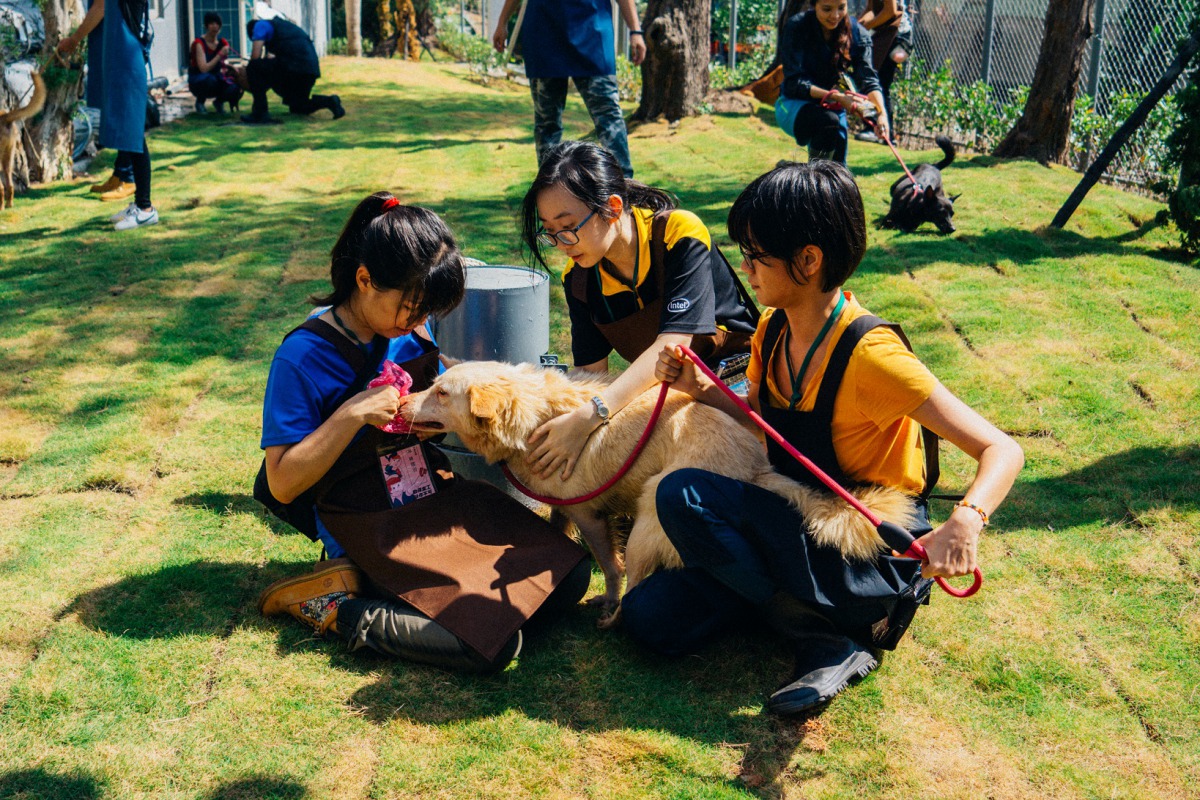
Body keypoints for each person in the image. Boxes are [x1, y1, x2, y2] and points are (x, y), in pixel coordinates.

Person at [621, 161, 1023, 715]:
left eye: (755, 255)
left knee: (681, 494)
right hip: (791, 520)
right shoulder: (773, 328)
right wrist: (703, 389)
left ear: (808, 260)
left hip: (862, 547)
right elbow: (763, 420)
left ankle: (827, 631)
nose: (744, 269)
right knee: (648, 621)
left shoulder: (873, 357)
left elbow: (1002, 448)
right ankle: (801, 620)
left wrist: (966, 521)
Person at [257, 192, 589, 672]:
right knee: (487, 644)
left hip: (431, 496)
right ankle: (337, 606)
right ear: (365, 280)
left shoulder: (409, 330)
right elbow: (282, 482)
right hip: (368, 519)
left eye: (426, 312)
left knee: (571, 574)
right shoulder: (303, 357)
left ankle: (429, 593)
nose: (418, 323)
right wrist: (350, 415)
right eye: (412, 308)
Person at [518, 140, 760, 482]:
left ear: (613, 207)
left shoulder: (678, 232)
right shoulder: (579, 280)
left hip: (739, 377)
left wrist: (591, 415)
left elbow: (674, 344)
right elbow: (590, 377)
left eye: (568, 227)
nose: (561, 245)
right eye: (550, 233)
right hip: (671, 388)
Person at [492, 0, 645, 178]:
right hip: (544, 31)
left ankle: (625, 185)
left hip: (592, 30)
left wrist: (635, 30)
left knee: (608, 117)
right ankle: (549, 190)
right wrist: (502, 21)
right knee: (547, 124)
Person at [58, 0, 160, 230]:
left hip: (127, 61)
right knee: (129, 133)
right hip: (122, 59)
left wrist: (74, 40)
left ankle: (145, 208)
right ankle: (139, 204)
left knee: (134, 135)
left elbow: (101, 6)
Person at [776, 0, 889, 164]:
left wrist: (881, 114)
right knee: (827, 122)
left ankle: (794, 170)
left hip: (834, 107)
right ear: (814, 5)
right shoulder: (797, 27)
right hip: (793, 104)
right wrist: (838, 97)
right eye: (827, 9)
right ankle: (810, 175)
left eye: (841, 8)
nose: (835, 16)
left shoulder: (857, 33)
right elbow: (795, 82)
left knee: (839, 172)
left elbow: (869, 81)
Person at [241, 9, 345, 124]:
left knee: (253, 67)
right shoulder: (284, 27)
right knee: (298, 107)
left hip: (295, 67)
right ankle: (330, 101)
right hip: (309, 69)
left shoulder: (260, 25)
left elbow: (255, 57)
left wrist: (248, 73)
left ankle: (259, 114)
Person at [855, 0, 909, 143]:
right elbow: (871, 8)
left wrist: (866, 25)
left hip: (894, 34)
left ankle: (879, 131)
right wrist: (856, 25)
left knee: (877, 83)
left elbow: (890, 11)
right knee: (871, 82)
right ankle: (877, 130)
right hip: (884, 33)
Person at [188, 12, 243, 114]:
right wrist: (219, 55)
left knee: (235, 85)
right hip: (199, 77)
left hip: (215, 75)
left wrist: (231, 67)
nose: (215, 26)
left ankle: (219, 102)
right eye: (211, 23)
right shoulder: (199, 43)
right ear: (206, 26)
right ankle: (200, 102)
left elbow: (223, 63)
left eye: (217, 24)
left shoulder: (222, 43)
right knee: (209, 79)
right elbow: (203, 68)